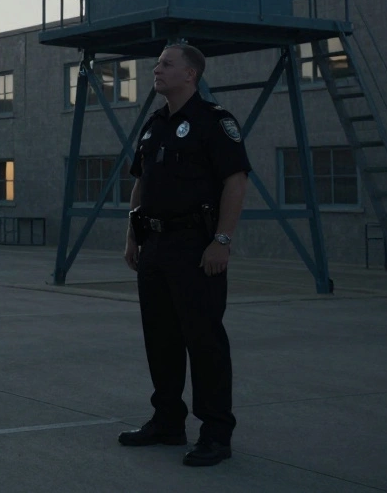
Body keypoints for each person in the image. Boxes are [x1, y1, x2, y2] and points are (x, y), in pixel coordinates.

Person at [117, 42, 250, 467]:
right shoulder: (154, 124)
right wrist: (132, 236)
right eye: (157, 63)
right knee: (161, 339)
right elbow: (141, 184)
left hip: (196, 247)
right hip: (154, 247)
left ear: (190, 74)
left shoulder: (215, 122)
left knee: (204, 341)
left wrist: (222, 241)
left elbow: (235, 182)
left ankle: (215, 433)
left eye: (166, 64)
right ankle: (168, 422)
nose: (156, 69)